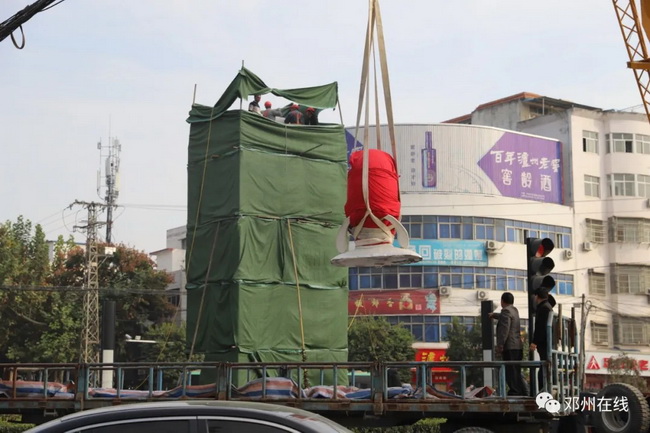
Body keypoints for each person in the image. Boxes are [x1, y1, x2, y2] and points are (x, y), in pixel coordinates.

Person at [489, 292, 524, 396]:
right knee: (516, 371)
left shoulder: (506, 311)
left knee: (510, 371)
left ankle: (515, 392)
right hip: (517, 346)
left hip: (510, 347)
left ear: (502, 301)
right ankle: (520, 391)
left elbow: (504, 330)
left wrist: (500, 345)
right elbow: (504, 317)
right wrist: (494, 315)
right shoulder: (514, 310)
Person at [530, 287, 554, 391]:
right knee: (545, 365)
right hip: (548, 341)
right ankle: (544, 388)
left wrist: (534, 342)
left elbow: (540, 327)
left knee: (544, 365)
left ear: (537, 296)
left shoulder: (543, 308)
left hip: (544, 342)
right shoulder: (548, 306)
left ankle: (542, 389)